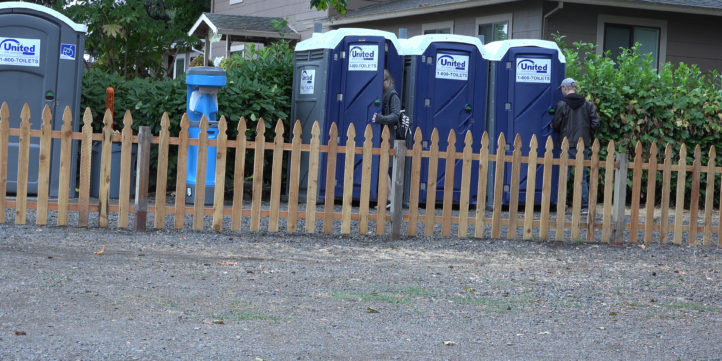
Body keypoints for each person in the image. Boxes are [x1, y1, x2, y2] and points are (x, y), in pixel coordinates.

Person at [551, 77, 600, 214]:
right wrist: (587, 135)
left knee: (563, 176)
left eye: (562, 89)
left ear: (566, 88)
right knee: (581, 176)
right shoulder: (587, 104)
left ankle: (562, 205)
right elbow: (596, 122)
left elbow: (556, 124)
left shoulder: (562, 104)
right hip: (582, 145)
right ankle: (584, 207)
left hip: (566, 145)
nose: (561, 92)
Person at [372, 69, 401, 209]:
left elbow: (396, 115)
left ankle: (389, 198)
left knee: (384, 167)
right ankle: (387, 199)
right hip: (384, 136)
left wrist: (381, 119)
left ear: (388, 81)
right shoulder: (383, 93)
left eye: (383, 80)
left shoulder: (392, 95)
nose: (382, 83)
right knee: (382, 167)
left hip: (389, 136)